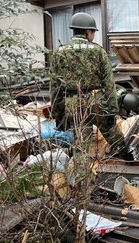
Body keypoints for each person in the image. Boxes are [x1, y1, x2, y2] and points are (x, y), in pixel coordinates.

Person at [50, 12, 119, 146]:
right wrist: (112, 110)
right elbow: (109, 83)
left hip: (72, 104)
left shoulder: (60, 52)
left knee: (81, 147)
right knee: (115, 138)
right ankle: (130, 160)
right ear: (88, 31)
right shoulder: (98, 51)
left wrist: (57, 114)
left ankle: (82, 167)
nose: (93, 35)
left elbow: (55, 86)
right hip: (96, 102)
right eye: (93, 32)